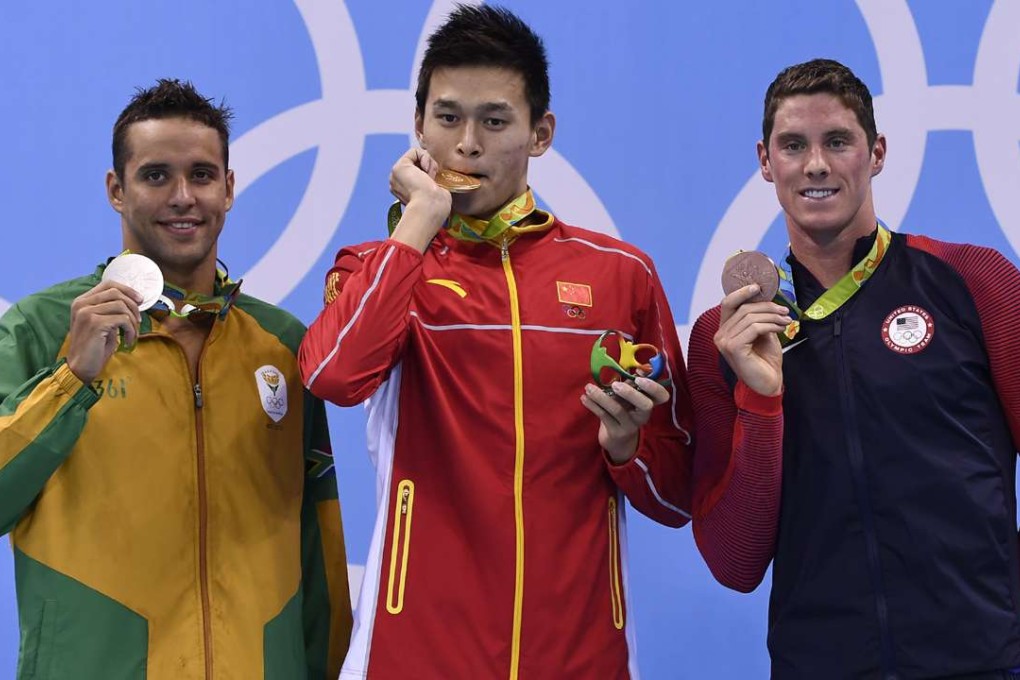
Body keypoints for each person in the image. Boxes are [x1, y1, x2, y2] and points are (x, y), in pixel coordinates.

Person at [299, 5, 775, 678]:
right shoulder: (379, 267)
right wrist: (419, 223)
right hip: (414, 655)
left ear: (540, 133)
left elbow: (674, 501)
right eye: (447, 118)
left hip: (582, 656)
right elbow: (333, 377)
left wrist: (627, 447)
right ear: (417, 128)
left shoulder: (620, 276)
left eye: (494, 121)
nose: (467, 144)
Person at [0, 79, 352, 679]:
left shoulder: (284, 344)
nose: (183, 197)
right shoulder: (40, 328)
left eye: (203, 175)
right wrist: (71, 379)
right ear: (117, 189)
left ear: (230, 188)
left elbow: (317, 549)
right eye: (156, 175)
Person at [687, 57, 1020, 678]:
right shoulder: (725, 337)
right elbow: (735, 563)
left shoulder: (976, 283)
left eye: (837, 141)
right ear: (766, 161)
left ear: (878, 153)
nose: (816, 164)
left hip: (981, 660)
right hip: (818, 663)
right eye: (793, 145)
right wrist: (760, 401)